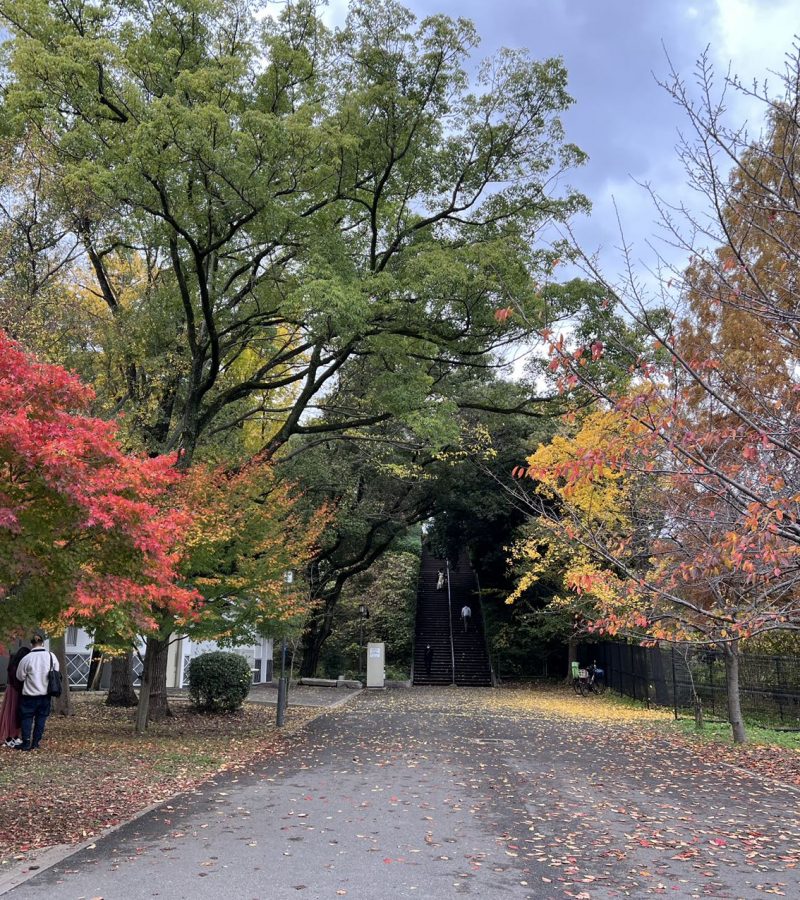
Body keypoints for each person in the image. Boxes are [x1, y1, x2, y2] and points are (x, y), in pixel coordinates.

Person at [14, 634, 59, 751]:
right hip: (46, 694)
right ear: (43, 643)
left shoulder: (27, 658)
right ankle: (36, 742)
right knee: (41, 719)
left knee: (26, 718)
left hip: (29, 694)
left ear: (31, 644)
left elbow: (20, 677)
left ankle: (26, 742)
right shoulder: (51, 656)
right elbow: (56, 672)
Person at [0, 645, 29, 748]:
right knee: (12, 714)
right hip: (15, 691)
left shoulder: (13, 663)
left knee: (11, 713)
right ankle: (9, 736)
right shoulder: (16, 666)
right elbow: (17, 680)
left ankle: (13, 736)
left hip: (12, 690)